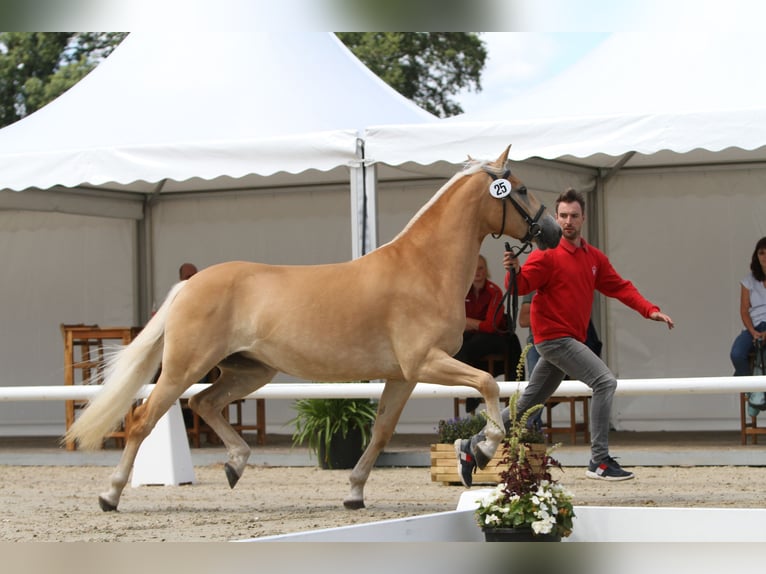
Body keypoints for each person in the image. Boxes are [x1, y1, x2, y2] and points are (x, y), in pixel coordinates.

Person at [456, 187, 674, 485]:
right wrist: (514, 272)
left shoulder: (593, 257)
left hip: (568, 341)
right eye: (562, 216)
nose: (567, 221)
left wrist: (649, 310)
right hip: (554, 340)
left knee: (527, 403)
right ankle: (599, 460)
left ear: (582, 218)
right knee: (605, 381)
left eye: (573, 216)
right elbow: (522, 285)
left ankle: (471, 445)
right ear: (555, 219)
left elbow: (620, 287)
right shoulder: (545, 255)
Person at [522, 291, 603, 431]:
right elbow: (523, 320)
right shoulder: (534, 279)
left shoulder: (567, 278)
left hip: (565, 343)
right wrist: (550, 317)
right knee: (534, 391)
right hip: (540, 343)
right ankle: (530, 430)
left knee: (604, 381)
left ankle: (528, 429)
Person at [454, 254, 521, 413]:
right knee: (457, 347)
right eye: (474, 268)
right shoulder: (461, 292)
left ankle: (474, 391)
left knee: (475, 343)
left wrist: (467, 322)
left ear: (486, 271)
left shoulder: (494, 291)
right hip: (468, 338)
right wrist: (471, 324)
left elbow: (491, 326)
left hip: (491, 339)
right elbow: (453, 321)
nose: (477, 272)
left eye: (481, 268)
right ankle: (471, 389)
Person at [730, 237, 766, 376]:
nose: (764, 257)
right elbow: (744, 310)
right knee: (737, 354)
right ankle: (751, 391)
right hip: (755, 326)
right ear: (756, 256)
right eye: (761, 253)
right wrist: (753, 332)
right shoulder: (748, 281)